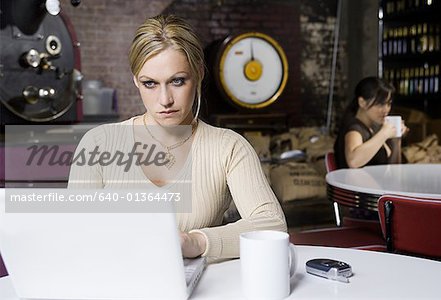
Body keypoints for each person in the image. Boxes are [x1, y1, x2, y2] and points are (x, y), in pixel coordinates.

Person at [68, 15, 287, 262]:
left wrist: (197, 242)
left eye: (178, 81)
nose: (165, 100)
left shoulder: (229, 148)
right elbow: (74, 235)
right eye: (150, 83)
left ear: (199, 74)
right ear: (135, 81)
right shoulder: (97, 144)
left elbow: (271, 225)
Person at [333, 76, 409, 169]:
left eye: (388, 103)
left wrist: (396, 140)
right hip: (356, 183)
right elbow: (353, 161)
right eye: (380, 104)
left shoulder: (372, 127)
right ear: (362, 102)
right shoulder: (354, 129)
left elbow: (394, 170)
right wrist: (384, 133)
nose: (386, 110)